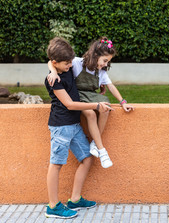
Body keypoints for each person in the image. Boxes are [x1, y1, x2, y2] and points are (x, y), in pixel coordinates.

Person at [44, 37, 113, 219]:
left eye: (69, 62)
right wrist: (95, 106)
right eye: (66, 64)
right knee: (56, 164)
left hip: (74, 126)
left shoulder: (63, 68)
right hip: (61, 127)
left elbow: (53, 62)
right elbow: (69, 104)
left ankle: (75, 199)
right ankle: (53, 206)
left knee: (87, 159)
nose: (69, 66)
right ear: (55, 63)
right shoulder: (53, 80)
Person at [47, 36, 134, 169]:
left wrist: (123, 102)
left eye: (108, 61)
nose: (106, 64)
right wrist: (53, 71)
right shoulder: (76, 62)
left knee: (105, 107)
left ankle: (95, 142)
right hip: (77, 96)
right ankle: (102, 150)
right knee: (91, 115)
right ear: (96, 55)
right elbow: (52, 61)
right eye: (104, 60)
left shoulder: (101, 72)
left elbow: (111, 86)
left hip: (90, 96)